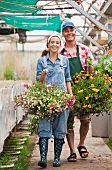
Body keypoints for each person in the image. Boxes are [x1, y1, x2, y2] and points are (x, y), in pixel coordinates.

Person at [60, 21, 94, 162]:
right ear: (63, 34)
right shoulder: (60, 52)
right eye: (66, 31)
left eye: (71, 30)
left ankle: (81, 144)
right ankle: (72, 151)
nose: (69, 33)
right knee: (69, 122)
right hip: (66, 90)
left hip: (83, 89)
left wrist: (91, 71)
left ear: (75, 31)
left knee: (85, 120)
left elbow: (92, 69)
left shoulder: (84, 49)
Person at [36, 34, 73, 168]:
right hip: (46, 99)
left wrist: (71, 96)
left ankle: (57, 158)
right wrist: (43, 74)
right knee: (44, 127)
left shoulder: (64, 60)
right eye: (52, 42)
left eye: (57, 43)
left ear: (60, 45)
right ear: (48, 44)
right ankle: (43, 159)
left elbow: (68, 79)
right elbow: (38, 82)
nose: (55, 45)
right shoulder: (41, 61)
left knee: (60, 127)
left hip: (62, 98)